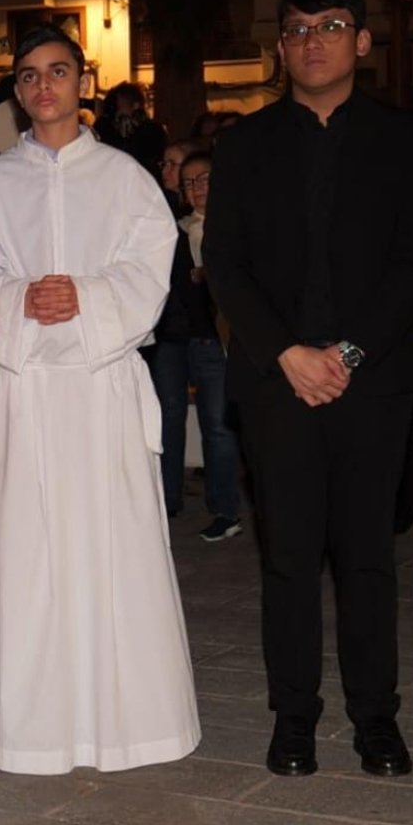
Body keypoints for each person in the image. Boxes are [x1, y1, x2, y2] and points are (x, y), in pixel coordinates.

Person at [202, 0, 413, 780]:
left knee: (367, 557)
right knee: (287, 559)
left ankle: (375, 718)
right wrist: (288, 354)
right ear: (280, 46)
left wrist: (344, 355)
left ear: (362, 42)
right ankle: (293, 717)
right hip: (276, 381)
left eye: (332, 26)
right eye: (298, 28)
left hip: (369, 381)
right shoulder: (242, 144)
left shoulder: (405, 140)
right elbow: (226, 265)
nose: (313, 41)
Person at [0, 26, 199, 774]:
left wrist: (88, 296)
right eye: (28, 76)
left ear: (80, 81)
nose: (42, 87)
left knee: (112, 550)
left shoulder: (126, 179)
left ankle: (129, 720)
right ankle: (30, 722)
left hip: (100, 388)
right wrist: (19, 296)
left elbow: (150, 270)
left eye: (56, 72)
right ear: (17, 90)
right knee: (26, 552)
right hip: (25, 389)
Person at [152, 149, 244, 540]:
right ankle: (166, 502)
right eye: (190, 182)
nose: (197, 188)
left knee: (218, 426)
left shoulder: (239, 226)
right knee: (167, 421)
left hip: (213, 338)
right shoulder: (169, 228)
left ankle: (225, 509)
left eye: (203, 179)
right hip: (173, 338)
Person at [92, 82, 168, 179]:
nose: (117, 109)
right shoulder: (105, 127)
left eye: (120, 104)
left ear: (135, 105)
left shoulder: (152, 131)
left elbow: (152, 163)